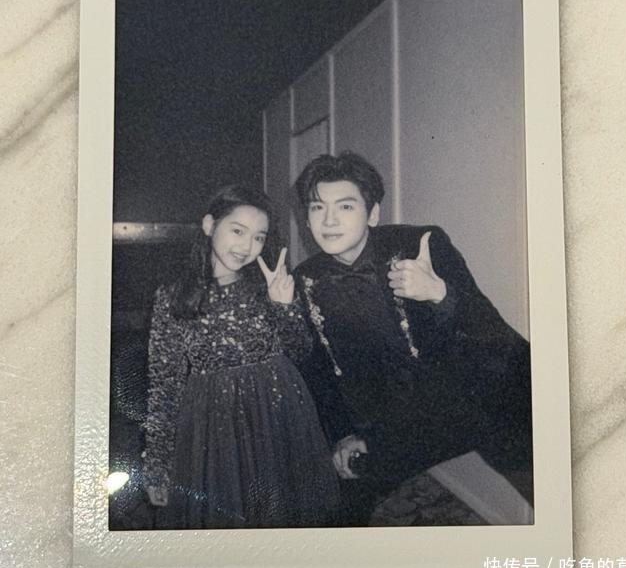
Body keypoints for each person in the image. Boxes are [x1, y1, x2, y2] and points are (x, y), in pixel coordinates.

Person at [293, 152, 533, 526]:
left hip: (471, 398)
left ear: (372, 214)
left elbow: (490, 330)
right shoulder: (304, 280)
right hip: (390, 419)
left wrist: (439, 293)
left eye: (345, 206)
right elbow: (317, 369)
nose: (329, 220)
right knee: (336, 504)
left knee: (550, 481)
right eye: (317, 207)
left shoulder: (421, 245)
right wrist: (342, 434)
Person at [141, 184, 340, 529]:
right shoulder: (173, 296)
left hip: (279, 415)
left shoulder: (267, 285)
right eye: (237, 231)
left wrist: (284, 307)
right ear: (209, 225)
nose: (247, 246)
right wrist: (157, 463)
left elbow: (300, 352)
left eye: (259, 237)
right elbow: (164, 384)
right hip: (214, 426)